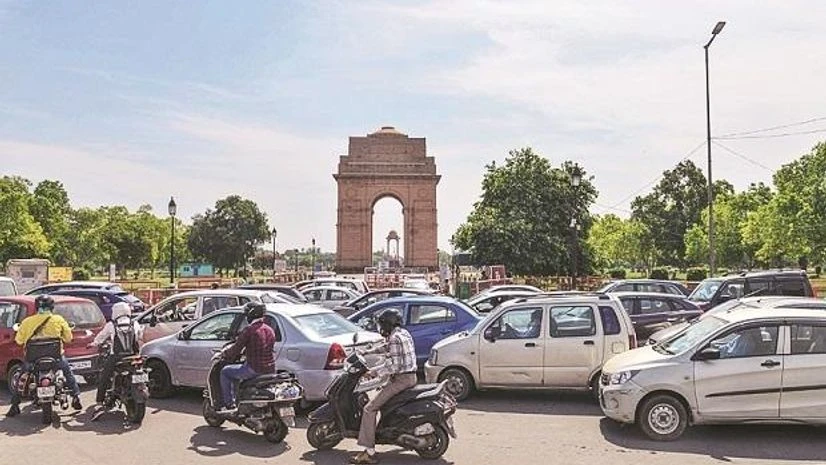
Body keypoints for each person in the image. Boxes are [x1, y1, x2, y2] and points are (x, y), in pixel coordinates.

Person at [351, 309, 417, 464]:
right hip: (410, 377)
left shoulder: (395, 337)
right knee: (381, 399)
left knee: (369, 408)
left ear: (388, 324)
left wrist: (375, 372)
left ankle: (369, 452)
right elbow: (385, 348)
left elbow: (395, 367)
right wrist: (366, 352)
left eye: (382, 324)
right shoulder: (403, 333)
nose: (381, 327)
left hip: (401, 379)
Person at [7, 295, 82, 417]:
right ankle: (76, 397)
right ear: (52, 307)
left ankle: (14, 405)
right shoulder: (58, 320)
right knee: (68, 372)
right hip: (56, 359)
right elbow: (68, 338)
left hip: (32, 360)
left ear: (37, 307)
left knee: (21, 378)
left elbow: (19, 341)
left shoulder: (27, 322)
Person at [217, 302, 275, 412]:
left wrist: (224, 354)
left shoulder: (249, 330)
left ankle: (230, 404)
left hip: (254, 369)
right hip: (270, 369)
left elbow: (236, 349)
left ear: (250, 314)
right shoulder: (269, 330)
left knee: (225, 372)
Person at [87, 302, 143, 415]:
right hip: (133, 356)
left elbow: (101, 337)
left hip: (117, 357)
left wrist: (93, 344)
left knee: (104, 376)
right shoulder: (135, 323)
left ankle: (99, 402)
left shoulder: (112, 325)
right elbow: (140, 337)